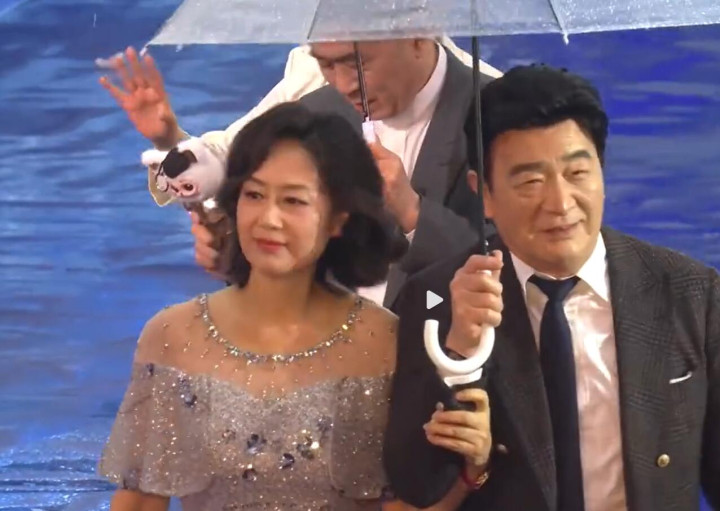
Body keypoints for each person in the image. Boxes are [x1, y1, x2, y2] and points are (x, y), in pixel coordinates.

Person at [98, 102, 497, 510]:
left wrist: (471, 472)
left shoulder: (384, 343)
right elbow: (140, 500)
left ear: (338, 219)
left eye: (293, 201)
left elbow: (406, 504)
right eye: (254, 195)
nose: (268, 219)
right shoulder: (173, 336)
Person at [384, 65, 720, 511]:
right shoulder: (438, 298)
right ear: (483, 193)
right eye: (530, 181)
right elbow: (416, 483)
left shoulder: (689, 291)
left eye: (577, 173)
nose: (560, 203)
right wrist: (460, 351)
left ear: (602, 172)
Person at [100, 38, 502, 308]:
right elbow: (228, 170)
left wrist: (414, 213)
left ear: (417, 36)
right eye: (326, 64)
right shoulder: (313, 102)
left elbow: (522, 274)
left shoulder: (500, 113)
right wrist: (232, 252)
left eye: (356, 64)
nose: (344, 84)